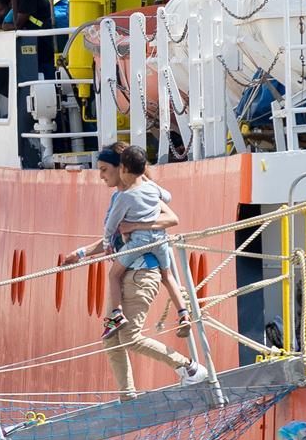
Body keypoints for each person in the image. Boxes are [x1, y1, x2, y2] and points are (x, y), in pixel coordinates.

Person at [62, 144, 207, 401]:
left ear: (123, 168)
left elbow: (171, 218)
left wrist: (135, 225)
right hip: (127, 271)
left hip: (142, 274)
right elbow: (112, 240)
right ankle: (128, 396)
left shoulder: (137, 194)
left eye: (105, 170)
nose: (101, 176)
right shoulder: (120, 198)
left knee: (130, 337)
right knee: (111, 339)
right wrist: (82, 253)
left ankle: (188, 367)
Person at [101, 146, 191, 340]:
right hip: (160, 240)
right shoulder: (151, 188)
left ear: (122, 168)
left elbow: (111, 225)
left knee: (113, 275)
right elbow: (167, 197)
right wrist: (149, 183)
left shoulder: (124, 197)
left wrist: (108, 242)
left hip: (139, 244)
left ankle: (116, 315)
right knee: (167, 277)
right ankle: (183, 314)